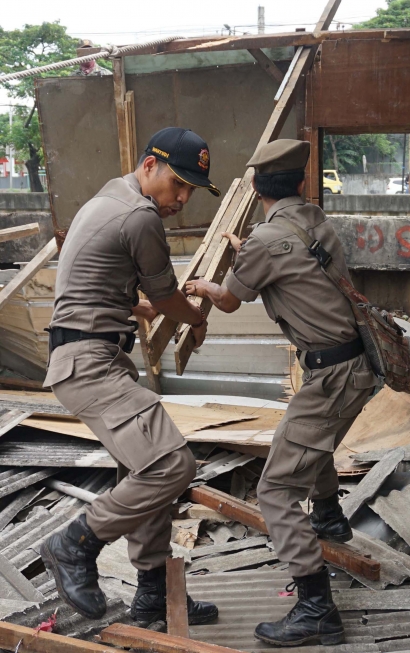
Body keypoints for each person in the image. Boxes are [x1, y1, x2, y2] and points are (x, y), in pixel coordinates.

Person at [186, 139, 377, 647]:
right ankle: (330, 517)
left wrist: (202, 286)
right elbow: (287, 255)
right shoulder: (315, 221)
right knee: (308, 438)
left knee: (273, 490)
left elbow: (228, 301)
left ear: (253, 186)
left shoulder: (264, 242)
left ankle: (317, 609)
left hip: (331, 375)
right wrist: (248, 245)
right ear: (300, 183)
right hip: (354, 365)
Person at [40, 127, 221, 625]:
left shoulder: (106, 199)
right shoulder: (140, 216)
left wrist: (133, 306)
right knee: (173, 466)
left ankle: (153, 596)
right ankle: (74, 543)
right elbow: (168, 300)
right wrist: (198, 317)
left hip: (90, 357)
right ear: (149, 167)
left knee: (149, 475)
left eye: (191, 190)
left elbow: (94, 281)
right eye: (177, 184)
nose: (182, 199)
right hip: (89, 364)